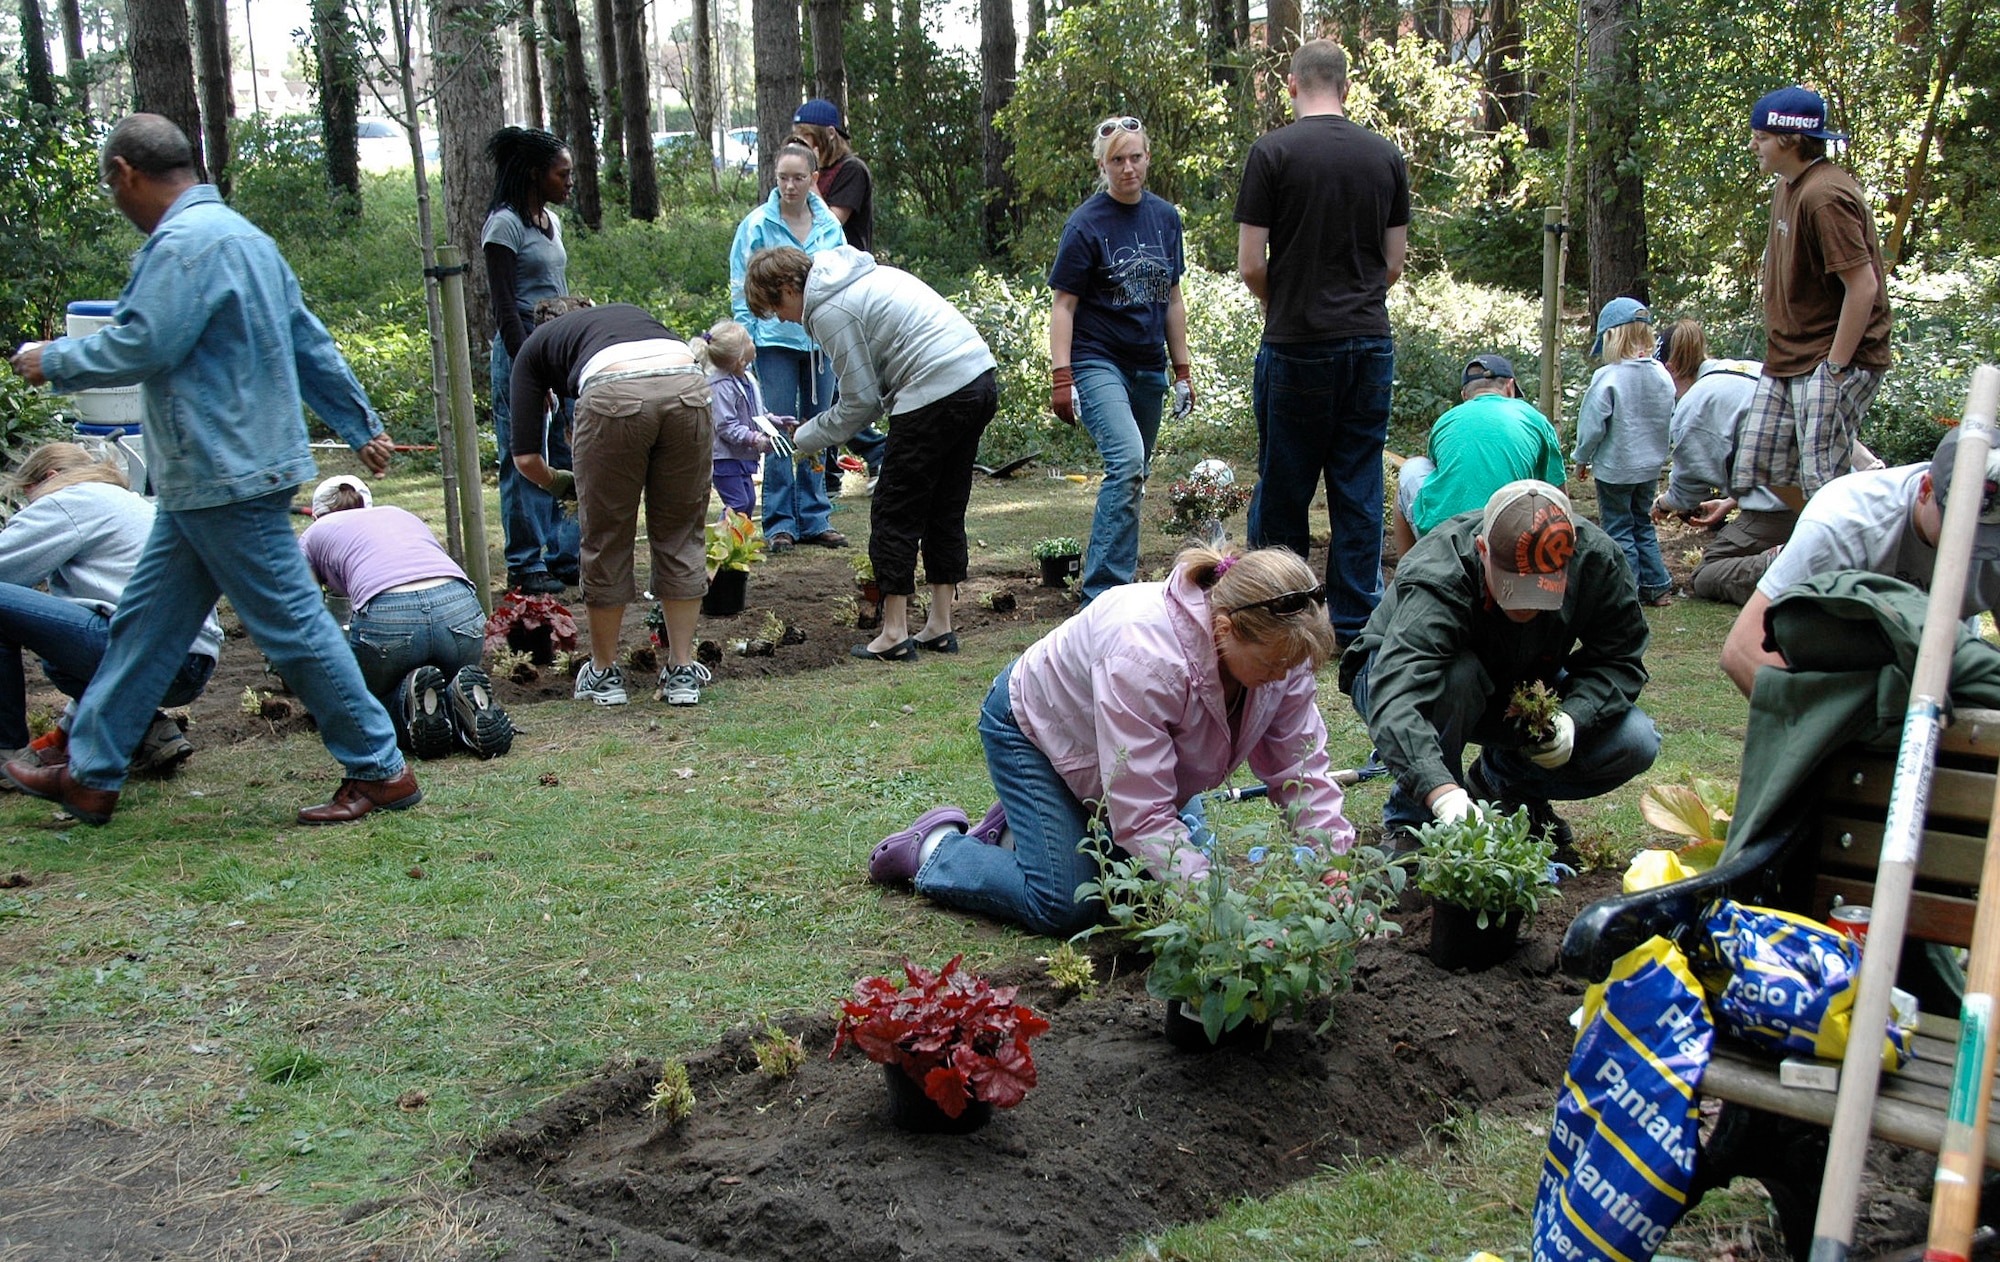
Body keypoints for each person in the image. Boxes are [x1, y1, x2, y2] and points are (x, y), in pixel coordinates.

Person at [4, 113, 419, 826]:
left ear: (125, 174)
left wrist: (55, 360)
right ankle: (93, 774)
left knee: (294, 626)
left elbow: (146, 344)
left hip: (223, 471)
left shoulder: (182, 246)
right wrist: (360, 422)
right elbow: (308, 342)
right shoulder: (245, 239)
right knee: (144, 628)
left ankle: (380, 770)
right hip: (219, 473)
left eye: (114, 188)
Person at [867, 544, 1356, 937]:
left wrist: (1333, 866)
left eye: (1291, 669)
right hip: (1035, 729)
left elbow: (1301, 771)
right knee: (1067, 904)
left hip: (1121, 763)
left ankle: (1034, 828)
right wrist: (1218, 909)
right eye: (1273, 667)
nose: (1282, 679)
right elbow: (1143, 815)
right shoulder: (1145, 656)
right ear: (1224, 630)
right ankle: (933, 850)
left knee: (1165, 891)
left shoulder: (1282, 653)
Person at [1341, 480, 1659, 852]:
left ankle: (1502, 786)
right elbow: (1397, 697)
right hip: (1394, 676)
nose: (1526, 606)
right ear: (1483, 550)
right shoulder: (1441, 572)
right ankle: (1413, 826)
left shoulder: (1596, 561)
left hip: (1510, 684)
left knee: (1635, 740)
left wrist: (1573, 716)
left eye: (1541, 591)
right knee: (1457, 676)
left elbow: (1619, 658)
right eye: (1512, 586)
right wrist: (1442, 796)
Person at [1235, 37, 1410, 647]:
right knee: (1357, 487)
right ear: (1346, 87)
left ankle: (1274, 611)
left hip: (1297, 344)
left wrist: (1286, 303)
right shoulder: (1385, 157)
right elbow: (1393, 263)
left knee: (1284, 485)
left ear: (1291, 84)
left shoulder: (1272, 153)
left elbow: (1251, 263)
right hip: (1369, 343)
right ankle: (1357, 624)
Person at [743, 245, 997, 661]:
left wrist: (803, 438)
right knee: (944, 506)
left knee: (895, 508)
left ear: (789, 286)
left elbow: (859, 404)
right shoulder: (860, 277)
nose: (783, 318)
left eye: (777, 307)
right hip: (978, 379)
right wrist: (813, 428)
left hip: (933, 391)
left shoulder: (828, 308)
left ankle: (894, 633)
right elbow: (870, 393)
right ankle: (938, 626)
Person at [508, 297, 716, 707]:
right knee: (680, 532)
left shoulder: (533, 350)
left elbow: (527, 459)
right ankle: (682, 672)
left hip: (612, 391)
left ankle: (603, 675)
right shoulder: (626, 315)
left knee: (607, 538)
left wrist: (561, 484)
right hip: (687, 382)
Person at [1720, 426, 2000, 697]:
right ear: (1926, 489)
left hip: (1939, 669)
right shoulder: (1844, 522)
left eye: (1987, 537)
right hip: (1839, 670)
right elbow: (1744, 649)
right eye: (1960, 527)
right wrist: (1820, 728)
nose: (1972, 546)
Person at [0, 442, 220, 777]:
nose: (29, 511)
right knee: (58, 656)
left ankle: (6, 753)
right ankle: (150, 733)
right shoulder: (127, 502)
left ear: (51, 477)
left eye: (29, 498)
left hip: (148, 653)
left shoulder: (70, 500)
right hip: (190, 663)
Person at [1048, 115, 1193, 604]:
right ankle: (1102, 593)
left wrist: (1183, 370)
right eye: (1117, 160)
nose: (1127, 168)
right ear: (1101, 165)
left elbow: (1172, 298)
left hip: (1148, 363)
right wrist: (1061, 377)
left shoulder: (1166, 218)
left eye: (1135, 157)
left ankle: (1119, 580)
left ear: (1148, 158)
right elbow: (1064, 305)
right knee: (1127, 461)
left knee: (1138, 472)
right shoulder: (1086, 224)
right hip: (1097, 359)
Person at [1731, 85, 1893, 510]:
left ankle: (1848, 558)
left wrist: (1835, 368)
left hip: (1830, 358)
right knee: (1759, 466)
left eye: (1761, 136)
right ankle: (1818, 539)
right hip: (1789, 358)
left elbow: (1864, 286)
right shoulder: (1789, 186)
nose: (1754, 145)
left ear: (1791, 139)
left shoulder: (1825, 196)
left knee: (1825, 480)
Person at [300, 475, 513, 759]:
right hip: (459, 607)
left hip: (390, 617)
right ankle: (463, 705)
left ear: (315, 515)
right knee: (442, 679)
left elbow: (307, 611)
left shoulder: (314, 534)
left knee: (366, 704)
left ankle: (409, 712)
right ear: (369, 504)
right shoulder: (398, 514)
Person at [728, 139, 849, 553]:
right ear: (774, 179)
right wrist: (747, 341)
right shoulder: (757, 225)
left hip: (820, 341)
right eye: (783, 178)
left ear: (813, 179)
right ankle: (779, 520)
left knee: (818, 427)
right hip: (774, 340)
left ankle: (815, 515)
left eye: (799, 178)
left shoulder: (830, 227)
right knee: (778, 428)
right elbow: (741, 287)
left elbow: (838, 278)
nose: (791, 186)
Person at [482, 126, 581, 595]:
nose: (570, 181)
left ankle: (565, 554)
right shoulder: (503, 225)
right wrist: (530, 373)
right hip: (522, 347)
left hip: (558, 345)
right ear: (535, 175)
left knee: (567, 449)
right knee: (524, 453)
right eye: (562, 174)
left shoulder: (549, 221)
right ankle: (525, 561)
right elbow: (503, 306)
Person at [1648, 319, 1794, 606]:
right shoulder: (1742, 368)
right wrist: (1731, 501)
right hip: (1819, 488)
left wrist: (1663, 504)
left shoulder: (1694, 406)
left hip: (1786, 505)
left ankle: (1792, 561)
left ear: (1670, 369)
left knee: (1707, 574)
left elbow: (1688, 490)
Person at [788, 99, 889, 496]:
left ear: (829, 136)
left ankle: (878, 450)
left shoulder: (851, 171)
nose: (803, 148)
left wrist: (807, 181)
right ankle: (828, 475)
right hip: (811, 290)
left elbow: (832, 220)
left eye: (808, 141)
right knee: (824, 393)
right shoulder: (815, 172)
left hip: (843, 287)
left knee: (842, 390)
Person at [1391, 353, 1564, 559]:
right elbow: (1558, 493)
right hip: (1512, 537)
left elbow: (1442, 478)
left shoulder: (1446, 421)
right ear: (1510, 387)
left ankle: (1408, 575)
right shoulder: (1534, 418)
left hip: (1447, 539)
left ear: (1464, 395)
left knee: (1413, 468)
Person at [1572, 297, 1677, 606]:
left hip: (1616, 468)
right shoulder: (1660, 373)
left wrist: (1581, 457)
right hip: (1649, 466)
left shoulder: (1609, 377)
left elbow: (1592, 425)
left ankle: (1626, 591)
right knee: (1641, 523)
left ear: (1610, 337)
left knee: (1619, 527)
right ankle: (1657, 585)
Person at [695, 320, 784, 520]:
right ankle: (725, 544)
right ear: (740, 359)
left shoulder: (747, 378)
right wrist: (754, 438)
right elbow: (725, 426)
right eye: (749, 341)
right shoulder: (721, 386)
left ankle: (740, 543)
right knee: (737, 503)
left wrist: (774, 421)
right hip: (724, 458)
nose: (753, 342)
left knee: (749, 501)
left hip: (741, 455)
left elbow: (755, 412)